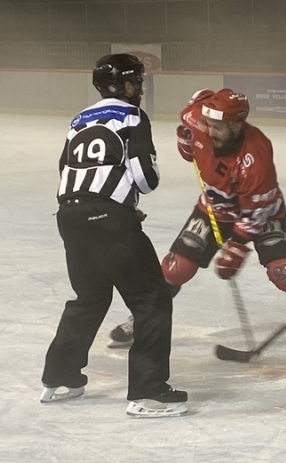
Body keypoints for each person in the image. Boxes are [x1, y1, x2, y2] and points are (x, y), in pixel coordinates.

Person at [109, 88, 286, 353]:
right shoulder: (198, 121)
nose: (210, 132)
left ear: (236, 125)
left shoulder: (256, 154)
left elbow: (256, 212)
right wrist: (186, 143)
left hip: (263, 212)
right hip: (215, 209)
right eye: (208, 124)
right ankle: (142, 320)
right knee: (175, 269)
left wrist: (237, 248)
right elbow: (195, 106)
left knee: (285, 272)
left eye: (218, 127)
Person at [42, 54, 187, 417]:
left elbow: (66, 170)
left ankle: (60, 376)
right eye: (135, 81)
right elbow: (145, 178)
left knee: (89, 297)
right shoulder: (133, 116)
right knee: (152, 299)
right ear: (120, 85)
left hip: (70, 215)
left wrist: (116, 204)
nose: (140, 87)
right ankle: (149, 393)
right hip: (108, 218)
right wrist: (118, 204)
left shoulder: (79, 120)